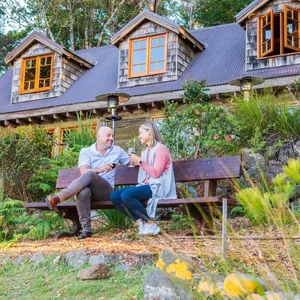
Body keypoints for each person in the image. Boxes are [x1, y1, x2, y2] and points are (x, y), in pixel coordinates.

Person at [45, 126, 130, 239]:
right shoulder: (86, 152)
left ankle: (59, 198)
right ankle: (86, 230)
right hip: (90, 193)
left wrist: (142, 161)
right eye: (108, 135)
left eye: (113, 136)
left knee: (90, 175)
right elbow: (83, 170)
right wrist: (100, 169)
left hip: (106, 192)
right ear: (98, 136)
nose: (111, 138)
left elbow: (130, 162)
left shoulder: (117, 150)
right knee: (83, 191)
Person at [110, 122, 177, 235]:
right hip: (146, 185)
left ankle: (150, 224)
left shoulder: (161, 149)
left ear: (149, 132)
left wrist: (141, 161)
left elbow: (155, 173)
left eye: (141, 133)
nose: (139, 136)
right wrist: (136, 162)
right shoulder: (146, 151)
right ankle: (140, 221)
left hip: (159, 186)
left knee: (127, 195)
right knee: (115, 196)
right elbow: (146, 168)